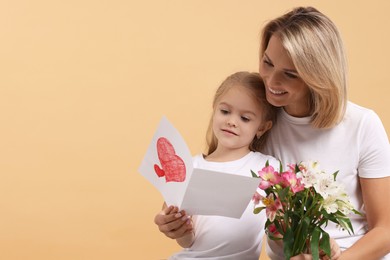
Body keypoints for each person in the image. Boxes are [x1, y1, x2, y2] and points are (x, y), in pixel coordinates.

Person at [258, 6, 390, 260]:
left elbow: (385, 229)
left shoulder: (362, 124)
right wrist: (181, 221)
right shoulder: (255, 121)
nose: (271, 81)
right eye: (267, 62)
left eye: (289, 74)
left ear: (318, 76)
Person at [154, 71, 280, 259]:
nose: (231, 121)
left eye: (245, 118)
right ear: (214, 109)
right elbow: (188, 241)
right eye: (225, 111)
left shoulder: (267, 168)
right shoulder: (190, 167)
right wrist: (177, 228)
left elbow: (282, 224)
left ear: (262, 127)